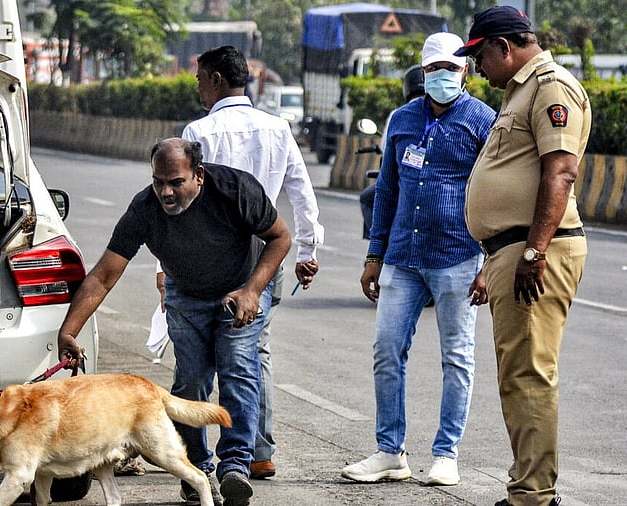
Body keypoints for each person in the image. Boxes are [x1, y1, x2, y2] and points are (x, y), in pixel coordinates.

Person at [57, 138, 291, 506]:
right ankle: (194, 470)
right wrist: (69, 330)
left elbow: (280, 237)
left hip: (237, 293)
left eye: (175, 182)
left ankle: (235, 467)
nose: (166, 191)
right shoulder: (144, 209)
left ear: (198, 175)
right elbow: (104, 275)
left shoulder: (235, 189)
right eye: (158, 182)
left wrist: (253, 290)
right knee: (191, 381)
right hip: (186, 297)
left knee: (240, 373)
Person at [340, 32, 496, 487]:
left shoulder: (483, 121)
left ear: (465, 70)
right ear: (422, 72)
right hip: (403, 259)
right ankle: (390, 451)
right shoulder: (403, 119)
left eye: (450, 68)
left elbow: (494, 194)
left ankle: (446, 453)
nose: (441, 76)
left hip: (458, 258)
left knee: (457, 358)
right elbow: (387, 190)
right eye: (433, 70)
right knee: (387, 351)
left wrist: (488, 261)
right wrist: (374, 254)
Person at [453, 6, 591, 506]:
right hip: (512, 249)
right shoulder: (522, 90)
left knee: (529, 374)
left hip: (536, 249)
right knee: (518, 374)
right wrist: (499, 257)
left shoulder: (551, 86)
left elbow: (560, 173)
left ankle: (532, 497)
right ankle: (529, 488)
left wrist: (534, 250)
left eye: (479, 55)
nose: (477, 67)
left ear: (504, 46)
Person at [180, 45, 324, 481]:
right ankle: (257, 450)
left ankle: (196, 452)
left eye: (202, 79)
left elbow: (183, 201)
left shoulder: (199, 130)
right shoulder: (278, 128)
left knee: (200, 353)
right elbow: (301, 191)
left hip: (208, 255)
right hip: (267, 253)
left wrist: (168, 265)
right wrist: (308, 252)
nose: (199, 88)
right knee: (252, 349)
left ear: (219, 80)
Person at [360, 64, 426, 240]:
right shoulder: (441, 112)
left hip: (401, 180)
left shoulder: (398, 115)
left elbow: (385, 147)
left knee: (368, 198)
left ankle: (378, 239)